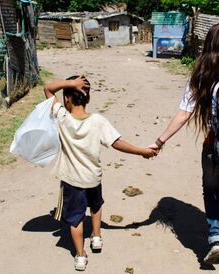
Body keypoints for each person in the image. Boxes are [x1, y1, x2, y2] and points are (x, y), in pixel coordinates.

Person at [150, 22, 219, 266]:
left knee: (212, 193)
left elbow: (184, 113)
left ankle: (216, 236)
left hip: (215, 145)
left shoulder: (203, 73)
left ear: (210, 44)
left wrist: (160, 141)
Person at [44, 76, 157, 271]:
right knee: (96, 206)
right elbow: (116, 143)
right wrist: (141, 151)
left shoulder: (62, 117)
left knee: (75, 219)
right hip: (93, 178)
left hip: (72, 181)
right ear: (87, 99)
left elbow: (47, 89)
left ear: (67, 99)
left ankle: (80, 256)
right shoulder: (97, 121)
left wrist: (71, 84)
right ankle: (96, 236)